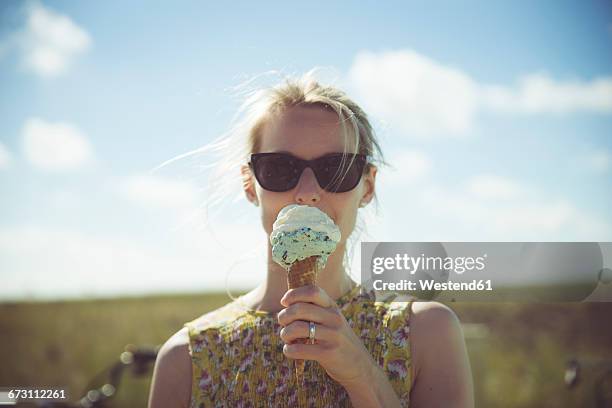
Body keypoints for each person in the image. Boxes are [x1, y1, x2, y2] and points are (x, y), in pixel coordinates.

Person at [147, 71, 474, 408]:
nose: (307, 193)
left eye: (337, 169)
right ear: (249, 184)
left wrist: (364, 376)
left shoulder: (426, 333)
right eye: (278, 168)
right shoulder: (186, 358)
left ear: (368, 186)